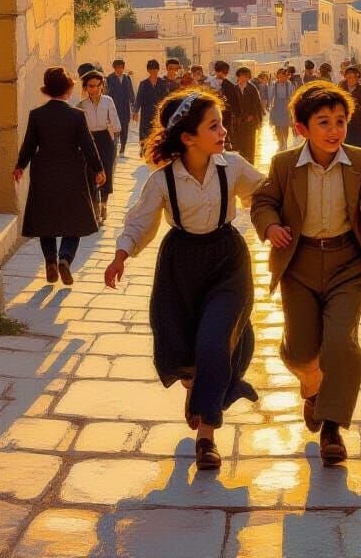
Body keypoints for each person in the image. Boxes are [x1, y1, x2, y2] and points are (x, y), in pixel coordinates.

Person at [105, 89, 265, 471]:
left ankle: (207, 436)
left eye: (222, 123)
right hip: (181, 265)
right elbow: (140, 221)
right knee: (185, 347)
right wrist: (121, 255)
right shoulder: (162, 181)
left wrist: (279, 223)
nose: (224, 130)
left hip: (228, 261)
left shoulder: (234, 166)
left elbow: (265, 194)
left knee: (215, 341)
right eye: (214, 125)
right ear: (188, 137)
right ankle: (197, 389)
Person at [250, 83, 361, 466]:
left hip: (347, 264)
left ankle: (332, 428)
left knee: (340, 344)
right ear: (302, 128)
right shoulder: (285, 164)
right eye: (324, 122)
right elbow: (263, 202)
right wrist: (271, 227)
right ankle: (310, 382)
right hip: (299, 265)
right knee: (303, 350)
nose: (334, 130)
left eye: (340, 121)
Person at [13, 67, 105, 285]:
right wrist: (99, 169)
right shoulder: (77, 116)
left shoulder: (37, 115)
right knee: (74, 222)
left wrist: (19, 166)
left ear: (46, 90)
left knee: (46, 222)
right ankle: (65, 258)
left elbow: (29, 145)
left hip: (43, 174)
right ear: (70, 88)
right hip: (72, 175)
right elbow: (88, 145)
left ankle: (50, 261)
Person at [77, 68, 121, 224]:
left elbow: (116, 123)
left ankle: (104, 205)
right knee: (91, 172)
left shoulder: (108, 101)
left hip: (104, 138)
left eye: (97, 85)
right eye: (90, 86)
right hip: (88, 139)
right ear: (86, 87)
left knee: (106, 171)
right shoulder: (81, 104)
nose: (94, 89)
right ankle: (95, 209)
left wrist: (113, 132)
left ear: (102, 85)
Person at [230, 67, 264, 164]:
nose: (244, 78)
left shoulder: (252, 88)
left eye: (246, 76)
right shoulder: (234, 88)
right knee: (238, 145)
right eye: (242, 76)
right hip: (237, 123)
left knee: (250, 145)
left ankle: (250, 165)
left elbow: (257, 104)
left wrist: (256, 119)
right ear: (238, 76)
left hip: (250, 122)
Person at [134, 60, 169, 150]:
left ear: (158, 70)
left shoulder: (163, 83)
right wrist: (136, 112)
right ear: (148, 70)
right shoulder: (143, 84)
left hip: (158, 112)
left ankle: (156, 151)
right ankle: (144, 150)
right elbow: (139, 98)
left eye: (155, 69)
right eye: (151, 69)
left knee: (158, 132)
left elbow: (166, 98)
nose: (153, 71)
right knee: (145, 132)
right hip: (146, 112)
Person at [105, 59, 136, 157]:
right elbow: (106, 93)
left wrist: (133, 106)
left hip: (125, 108)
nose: (119, 69)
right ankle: (114, 148)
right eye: (117, 67)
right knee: (114, 129)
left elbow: (131, 93)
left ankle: (122, 148)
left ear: (123, 68)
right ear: (114, 68)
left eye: (121, 67)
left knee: (124, 129)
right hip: (113, 108)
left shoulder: (127, 78)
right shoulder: (109, 78)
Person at [268, 67, 295, 150]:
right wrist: (269, 106)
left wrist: (292, 109)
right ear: (278, 76)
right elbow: (270, 96)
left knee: (285, 126)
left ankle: (285, 142)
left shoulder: (289, 84)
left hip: (286, 107)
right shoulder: (274, 84)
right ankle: (280, 142)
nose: (283, 78)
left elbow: (292, 96)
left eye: (285, 76)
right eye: (281, 76)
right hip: (277, 107)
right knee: (277, 126)